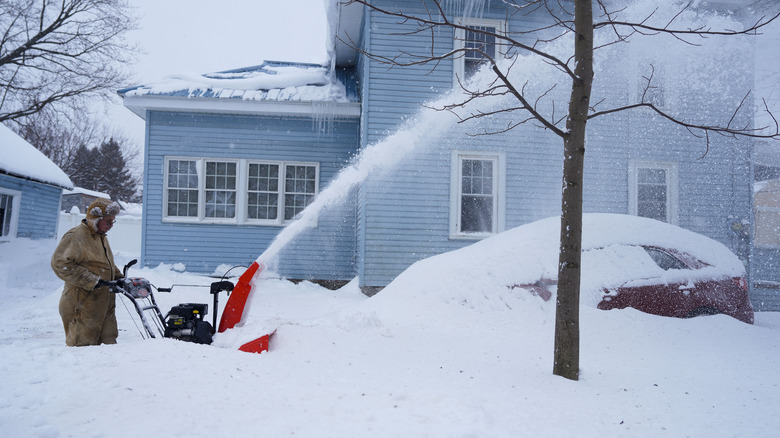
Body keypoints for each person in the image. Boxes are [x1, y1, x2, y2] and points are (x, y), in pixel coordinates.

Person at [51, 198, 123, 346]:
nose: (111, 226)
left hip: (104, 305)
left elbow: (105, 265)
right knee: (83, 350)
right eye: (108, 221)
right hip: (82, 305)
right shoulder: (76, 236)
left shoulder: (100, 237)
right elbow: (60, 264)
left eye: (113, 222)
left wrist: (120, 279)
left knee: (109, 347)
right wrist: (91, 280)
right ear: (96, 219)